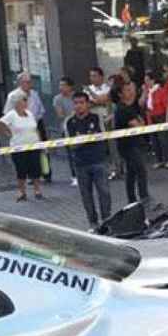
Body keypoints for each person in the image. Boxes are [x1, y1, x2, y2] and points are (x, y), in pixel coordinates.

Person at [65, 92, 110, 232]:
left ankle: (106, 220)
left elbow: (102, 137)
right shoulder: (69, 122)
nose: (78, 106)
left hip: (98, 161)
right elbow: (71, 144)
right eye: (76, 103)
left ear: (87, 104)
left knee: (104, 192)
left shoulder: (96, 118)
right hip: (80, 164)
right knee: (86, 195)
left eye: (81, 102)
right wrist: (87, 138)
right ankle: (93, 223)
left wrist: (82, 139)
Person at [0, 93, 44, 201]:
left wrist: (40, 142)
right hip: (18, 147)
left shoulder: (30, 113)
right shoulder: (12, 115)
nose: (26, 102)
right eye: (24, 100)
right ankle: (22, 192)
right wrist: (8, 134)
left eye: (26, 100)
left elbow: (35, 128)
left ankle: (37, 190)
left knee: (36, 169)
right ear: (16, 103)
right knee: (21, 170)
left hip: (34, 145)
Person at [3, 72, 51, 182]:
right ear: (20, 83)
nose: (30, 84)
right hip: (21, 126)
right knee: (27, 151)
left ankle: (46, 173)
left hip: (36, 124)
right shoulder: (13, 96)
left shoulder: (35, 94)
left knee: (43, 149)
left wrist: (37, 119)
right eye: (27, 82)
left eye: (30, 82)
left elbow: (41, 109)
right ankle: (31, 175)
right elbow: (7, 113)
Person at [114, 80, 149, 204]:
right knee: (140, 170)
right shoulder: (122, 109)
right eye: (127, 90)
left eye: (131, 89)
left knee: (131, 172)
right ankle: (144, 198)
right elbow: (138, 126)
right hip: (128, 146)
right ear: (120, 94)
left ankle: (132, 199)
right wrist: (140, 122)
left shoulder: (131, 107)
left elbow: (142, 122)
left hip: (135, 143)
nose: (131, 92)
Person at [86, 67, 121, 181]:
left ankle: (116, 169)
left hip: (107, 119)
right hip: (93, 121)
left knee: (112, 146)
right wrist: (98, 102)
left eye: (95, 76)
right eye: (91, 76)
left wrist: (97, 101)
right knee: (96, 146)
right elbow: (87, 105)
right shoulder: (87, 90)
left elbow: (107, 101)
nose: (92, 78)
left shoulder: (108, 88)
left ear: (101, 76)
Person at [144, 70, 168, 169]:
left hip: (160, 116)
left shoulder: (161, 91)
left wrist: (167, 121)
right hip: (151, 117)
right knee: (154, 140)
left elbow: (167, 107)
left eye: (148, 80)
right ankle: (159, 160)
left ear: (153, 80)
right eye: (145, 81)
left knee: (163, 139)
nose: (146, 83)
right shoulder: (148, 93)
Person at [53, 76, 78, 186]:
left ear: (70, 87)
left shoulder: (76, 97)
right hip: (66, 128)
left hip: (80, 126)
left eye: (63, 85)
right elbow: (60, 114)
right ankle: (74, 176)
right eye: (60, 85)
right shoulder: (57, 99)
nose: (61, 88)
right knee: (71, 153)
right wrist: (73, 114)